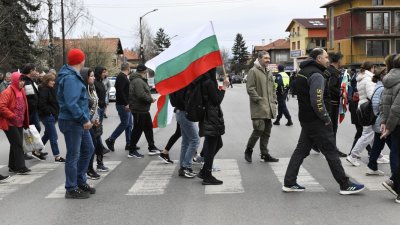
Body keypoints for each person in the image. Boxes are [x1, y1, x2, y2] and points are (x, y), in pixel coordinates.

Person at [282, 48, 364, 195]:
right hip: (317, 120)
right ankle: (345, 184)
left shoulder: (303, 72)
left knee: (301, 151)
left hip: (306, 119)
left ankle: (289, 182)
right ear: (319, 58)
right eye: (326, 57)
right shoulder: (316, 75)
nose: (328, 60)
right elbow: (317, 101)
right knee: (331, 151)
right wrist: (326, 117)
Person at [57, 48, 95, 199]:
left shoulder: (73, 75)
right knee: (73, 155)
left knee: (88, 148)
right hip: (72, 121)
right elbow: (72, 103)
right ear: (81, 60)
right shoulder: (71, 78)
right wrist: (84, 119)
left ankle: (80, 180)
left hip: (77, 121)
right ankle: (71, 188)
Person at [347, 62, 389, 166]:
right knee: (368, 134)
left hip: (363, 107)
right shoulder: (368, 79)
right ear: (371, 68)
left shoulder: (361, 77)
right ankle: (353, 155)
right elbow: (371, 95)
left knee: (371, 133)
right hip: (368, 109)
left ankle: (377, 155)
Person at [244, 51, 279, 163]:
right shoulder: (253, 71)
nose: (268, 60)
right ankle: (249, 150)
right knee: (258, 129)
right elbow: (250, 88)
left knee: (267, 132)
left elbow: (273, 87)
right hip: (259, 107)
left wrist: (274, 99)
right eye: (265, 58)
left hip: (269, 106)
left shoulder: (269, 72)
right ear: (259, 59)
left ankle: (264, 154)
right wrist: (258, 99)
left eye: (269, 58)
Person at [197, 68, 229, 185]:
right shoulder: (209, 82)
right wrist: (224, 87)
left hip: (209, 116)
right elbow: (216, 100)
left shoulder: (204, 80)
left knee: (217, 144)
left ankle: (205, 171)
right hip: (211, 117)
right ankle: (207, 175)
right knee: (211, 147)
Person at [367, 65, 397, 176]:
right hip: (382, 122)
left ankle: (372, 166)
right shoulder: (381, 88)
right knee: (394, 147)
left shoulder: (380, 86)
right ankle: (372, 166)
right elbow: (376, 104)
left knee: (378, 145)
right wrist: (381, 118)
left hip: (380, 122)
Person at [0, 72, 31, 175]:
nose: (22, 82)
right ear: (15, 80)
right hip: (9, 123)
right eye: (20, 80)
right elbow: (1, 106)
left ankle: (12, 166)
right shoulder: (7, 92)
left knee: (15, 143)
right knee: (18, 144)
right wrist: (12, 116)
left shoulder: (21, 90)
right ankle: (21, 167)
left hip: (19, 122)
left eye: (23, 80)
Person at [128, 64, 160, 157]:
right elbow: (140, 95)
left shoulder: (139, 80)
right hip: (139, 109)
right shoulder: (138, 81)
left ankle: (151, 147)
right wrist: (150, 99)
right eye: (146, 71)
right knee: (137, 129)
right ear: (143, 71)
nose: (147, 73)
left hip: (143, 109)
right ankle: (132, 150)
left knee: (148, 127)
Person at [380, 54, 400, 203]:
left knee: (395, 152)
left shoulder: (389, 78)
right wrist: (389, 126)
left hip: (394, 124)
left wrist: (385, 122)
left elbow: (384, 103)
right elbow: (396, 108)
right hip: (396, 122)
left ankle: (394, 181)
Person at [81, 67, 107, 180]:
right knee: (89, 147)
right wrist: (89, 119)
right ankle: (87, 170)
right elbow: (82, 107)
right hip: (85, 122)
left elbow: (95, 105)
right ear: (85, 78)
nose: (94, 77)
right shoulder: (83, 89)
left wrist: (96, 118)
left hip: (93, 121)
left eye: (93, 75)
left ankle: (90, 168)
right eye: (91, 76)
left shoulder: (92, 88)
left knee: (93, 145)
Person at [169, 84, 200, 178]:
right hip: (184, 113)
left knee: (186, 142)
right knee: (195, 140)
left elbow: (175, 101)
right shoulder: (182, 84)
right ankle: (185, 167)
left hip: (181, 113)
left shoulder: (176, 83)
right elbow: (180, 100)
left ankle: (184, 167)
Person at [105, 63, 133, 152]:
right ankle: (111, 139)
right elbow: (120, 92)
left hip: (124, 104)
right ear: (128, 68)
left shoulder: (123, 76)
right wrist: (126, 103)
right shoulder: (121, 77)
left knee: (129, 125)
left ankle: (129, 144)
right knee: (125, 123)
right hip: (122, 105)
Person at [21, 63, 47, 161]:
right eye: (35, 70)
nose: (36, 72)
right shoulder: (25, 81)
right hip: (29, 111)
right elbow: (29, 97)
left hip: (33, 110)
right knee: (31, 130)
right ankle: (26, 151)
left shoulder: (31, 81)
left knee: (35, 129)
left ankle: (33, 150)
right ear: (30, 71)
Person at [38, 73, 65, 163]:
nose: (54, 82)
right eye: (52, 80)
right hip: (47, 116)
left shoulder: (50, 89)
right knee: (54, 136)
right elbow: (42, 104)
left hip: (51, 115)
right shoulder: (44, 90)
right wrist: (50, 113)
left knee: (48, 134)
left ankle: (37, 150)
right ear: (47, 81)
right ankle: (57, 156)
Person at [325, 52, 347, 157]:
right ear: (338, 60)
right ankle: (333, 150)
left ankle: (316, 144)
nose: (342, 62)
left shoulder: (327, 69)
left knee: (327, 126)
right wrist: (341, 93)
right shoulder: (334, 72)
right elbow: (331, 87)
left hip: (328, 101)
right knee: (333, 127)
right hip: (332, 102)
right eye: (342, 59)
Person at [93, 66, 110, 155]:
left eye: (105, 72)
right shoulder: (95, 82)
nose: (105, 74)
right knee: (97, 129)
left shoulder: (101, 82)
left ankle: (99, 147)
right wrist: (100, 104)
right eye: (103, 72)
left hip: (102, 107)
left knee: (98, 129)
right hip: (98, 108)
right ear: (99, 73)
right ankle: (100, 148)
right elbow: (94, 96)